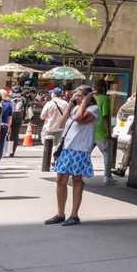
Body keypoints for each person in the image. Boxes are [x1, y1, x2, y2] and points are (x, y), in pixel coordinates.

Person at [47, 85, 98, 227]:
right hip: (67, 148)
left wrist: (84, 102)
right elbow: (62, 122)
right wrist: (70, 103)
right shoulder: (75, 108)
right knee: (60, 179)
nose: (77, 97)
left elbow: (79, 119)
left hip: (80, 148)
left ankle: (74, 215)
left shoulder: (93, 109)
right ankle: (60, 213)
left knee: (77, 180)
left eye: (80, 95)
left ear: (88, 97)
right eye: (76, 94)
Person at [93, 80, 117, 185]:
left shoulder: (92, 98)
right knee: (107, 154)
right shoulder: (105, 99)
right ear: (104, 88)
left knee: (86, 153)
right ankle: (107, 177)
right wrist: (109, 132)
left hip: (91, 130)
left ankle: (79, 174)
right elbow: (105, 116)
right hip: (101, 130)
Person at [40, 87, 68, 169]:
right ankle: (55, 162)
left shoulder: (49, 104)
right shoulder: (65, 103)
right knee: (57, 146)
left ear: (54, 94)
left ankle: (49, 163)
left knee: (48, 145)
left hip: (49, 127)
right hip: (61, 128)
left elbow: (42, 116)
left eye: (52, 93)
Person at [8, 88, 26, 157]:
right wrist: (23, 118)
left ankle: (6, 150)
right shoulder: (23, 99)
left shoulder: (9, 97)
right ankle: (12, 152)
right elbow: (25, 110)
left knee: (7, 134)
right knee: (15, 135)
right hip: (18, 117)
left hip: (10, 115)